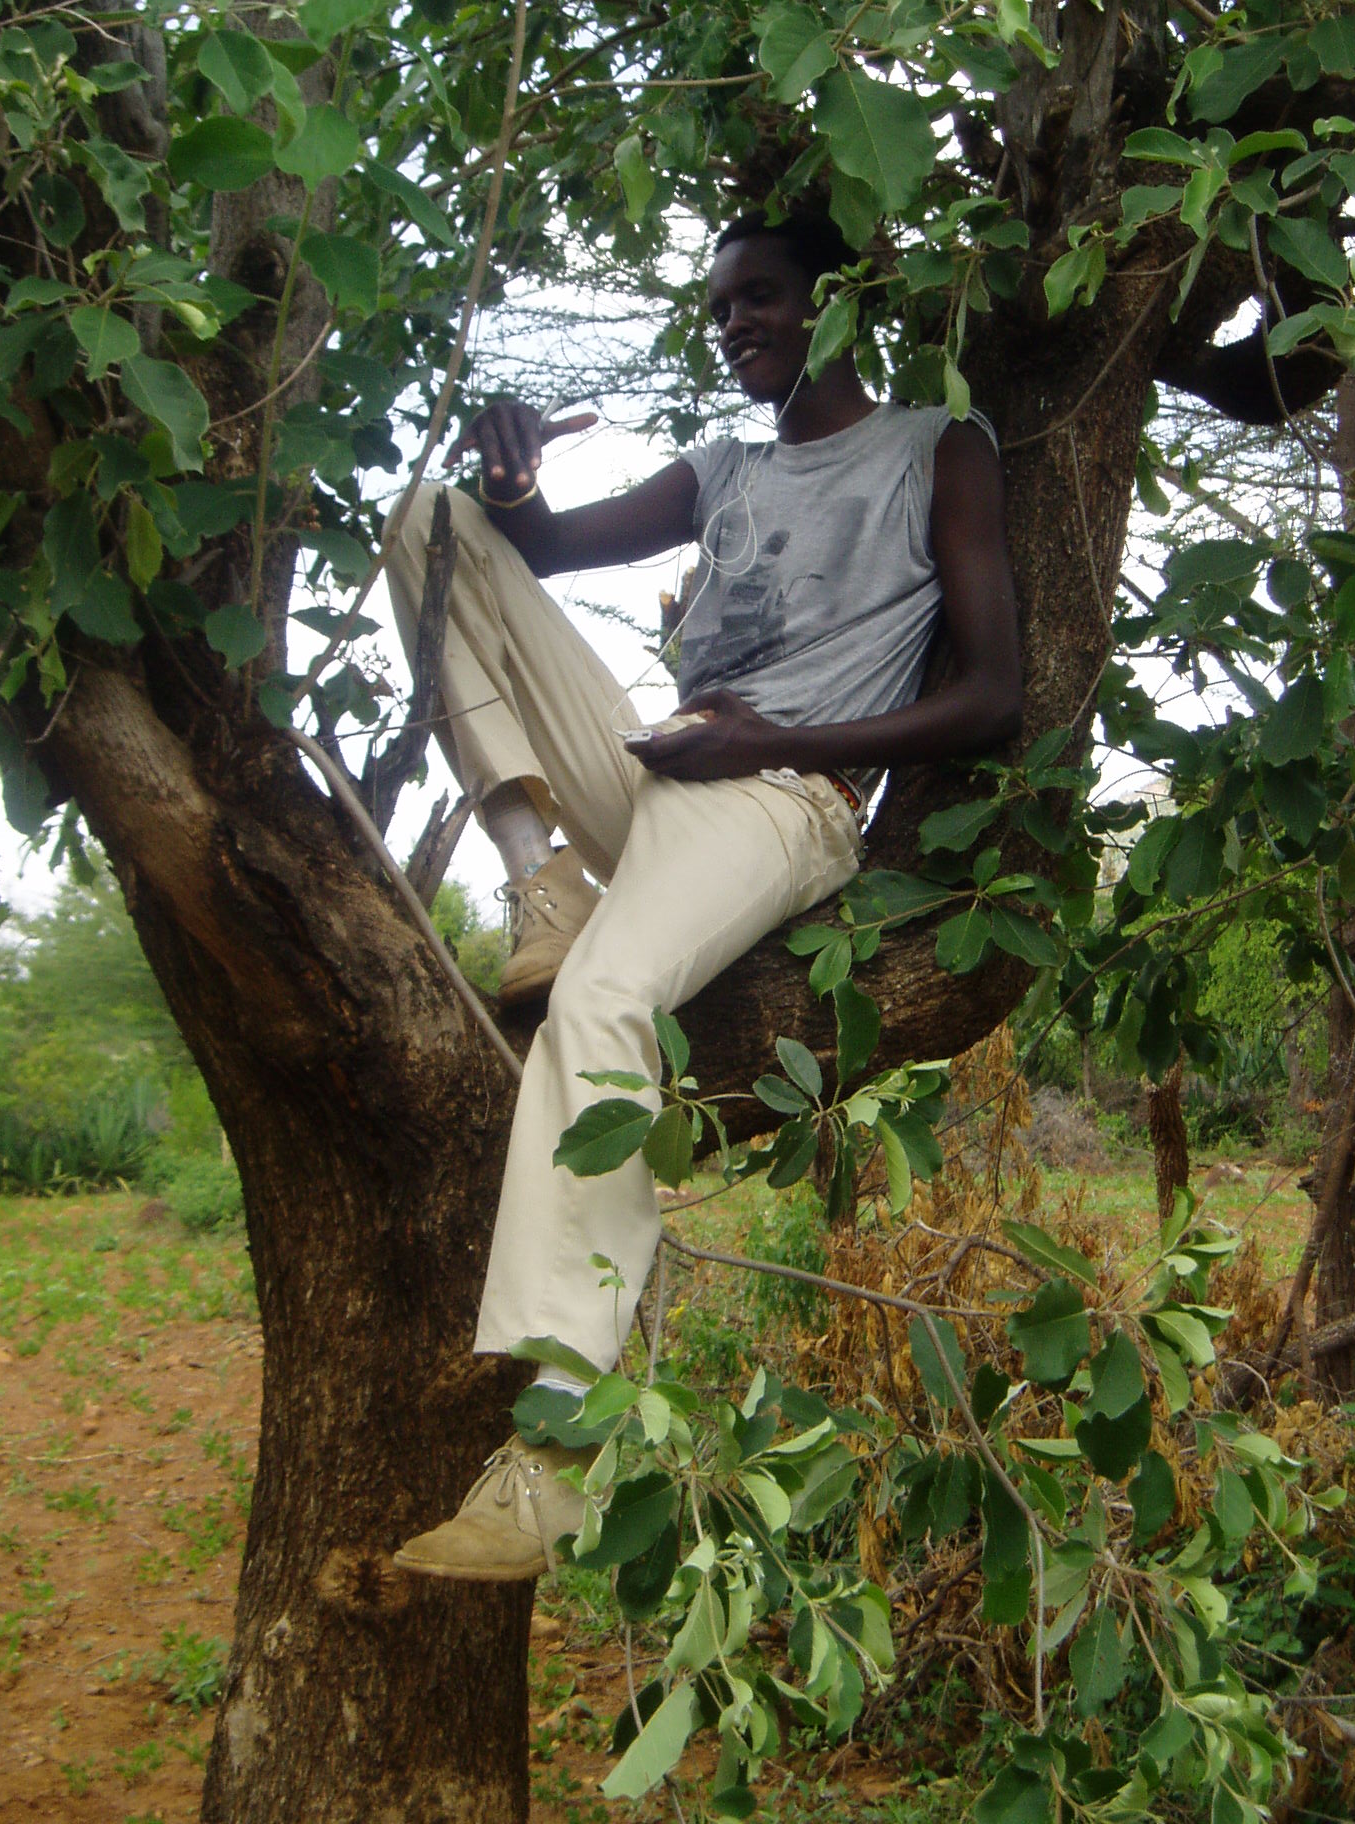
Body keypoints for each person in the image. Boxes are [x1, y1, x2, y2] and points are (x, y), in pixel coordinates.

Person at [384, 207, 1022, 1579]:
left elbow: (992, 694)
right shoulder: (721, 465)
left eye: (765, 298)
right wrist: (503, 480)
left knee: (602, 1007)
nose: (736, 325)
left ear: (837, 302)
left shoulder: (934, 449)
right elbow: (539, 553)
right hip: (664, 775)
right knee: (430, 521)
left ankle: (556, 1446)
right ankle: (534, 876)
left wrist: (776, 742)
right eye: (721, 306)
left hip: (780, 799)